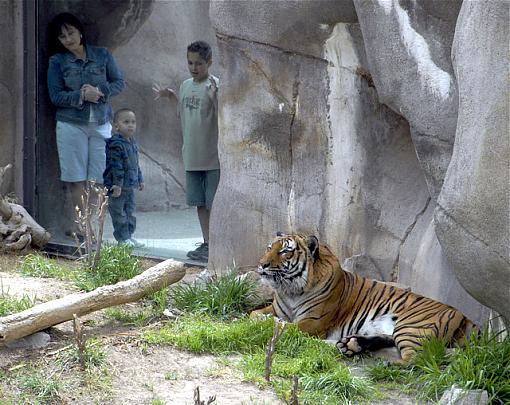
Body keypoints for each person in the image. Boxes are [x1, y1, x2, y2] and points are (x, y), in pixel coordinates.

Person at [47, 12, 124, 237]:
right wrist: (80, 95)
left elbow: (119, 82)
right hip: (71, 124)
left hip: (101, 123)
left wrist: (100, 93)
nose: (68, 39)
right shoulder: (57, 61)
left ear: (80, 31)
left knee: (99, 178)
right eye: (62, 37)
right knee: (75, 177)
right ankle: (82, 226)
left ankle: (89, 222)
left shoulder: (102, 55)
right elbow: (55, 95)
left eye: (71, 32)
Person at [153, 40, 219, 262]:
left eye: (199, 63)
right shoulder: (185, 85)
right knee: (199, 203)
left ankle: (219, 244)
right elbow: (182, 113)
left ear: (209, 62)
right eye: (190, 63)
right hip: (191, 156)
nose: (194, 67)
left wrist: (214, 99)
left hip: (212, 158)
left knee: (214, 204)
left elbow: (225, 118)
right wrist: (170, 96)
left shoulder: (215, 85)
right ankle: (207, 243)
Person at [103, 108, 145, 247]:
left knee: (129, 212)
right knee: (119, 213)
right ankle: (122, 238)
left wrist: (140, 179)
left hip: (129, 185)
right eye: (126, 122)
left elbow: (136, 164)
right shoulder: (115, 144)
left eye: (133, 122)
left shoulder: (132, 142)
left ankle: (129, 236)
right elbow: (116, 166)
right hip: (117, 187)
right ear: (116, 126)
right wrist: (117, 185)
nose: (130, 125)